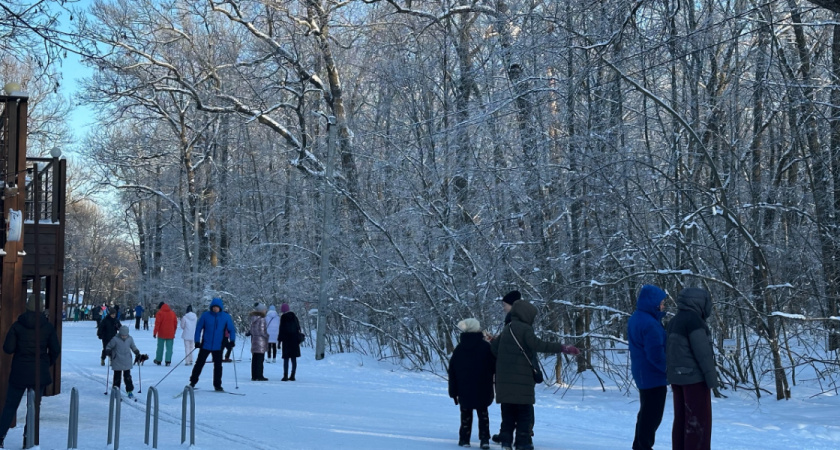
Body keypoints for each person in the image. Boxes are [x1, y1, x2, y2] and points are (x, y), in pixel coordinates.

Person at [490, 296, 580, 450]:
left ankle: (506, 442)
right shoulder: (525, 329)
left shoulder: (508, 328)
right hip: (522, 383)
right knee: (524, 413)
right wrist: (563, 348)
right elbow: (539, 345)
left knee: (508, 413)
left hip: (504, 382)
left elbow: (494, 349)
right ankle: (522, 443)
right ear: (526, 315)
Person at [0, 294, 61, 448]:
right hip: (38, 374)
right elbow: (55, 349)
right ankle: (28, 439)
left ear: (27, 306)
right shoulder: (47, 327)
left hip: (19, 372)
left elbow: (8, 348)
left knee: (10, 406)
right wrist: (47, 363)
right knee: (34, 408)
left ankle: (0, 436)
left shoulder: (18, 325)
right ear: (40, 308)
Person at [666, 287, 718, 450]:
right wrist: (711, 380)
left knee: (681, 420)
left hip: (677, 379)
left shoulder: (674, 320)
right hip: (695, 380)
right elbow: (703, 353)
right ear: (700, 302)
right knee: (698, 423)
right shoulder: (694, 321)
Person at [628, 285, 669, 450]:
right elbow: (655, 354)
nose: (663, 305)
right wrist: (668, 369)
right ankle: (643, 446)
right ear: (653, 303)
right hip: (653, 375)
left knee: (645, 412)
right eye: (661, 302)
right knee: (652, 415)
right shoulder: (650, 324)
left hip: (643, 373)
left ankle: (639, 444)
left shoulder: (637, 317)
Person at [449, 318, 495, 449]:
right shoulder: (486, 347)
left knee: (465, 413)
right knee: (483, 413)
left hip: (464, 388)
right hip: (483, 387)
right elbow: (494, 366)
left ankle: (464, 439)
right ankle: (484, 439)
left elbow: (452, 371)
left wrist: (453, 391)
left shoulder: (459, 349)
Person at [190, 297, 236, 391]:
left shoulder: (225, 317)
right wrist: (197, 341)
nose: (215, 309)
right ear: (211, 307)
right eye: (214, 307)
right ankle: (192, 382)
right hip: (205, 344)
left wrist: (232, 340)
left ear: (220, 308)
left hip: (218, 346)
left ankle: (217, 385)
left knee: (218, 366)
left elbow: (231, 330)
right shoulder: (205, 315)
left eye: (217, 307)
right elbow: (198, 328)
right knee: (199, 364)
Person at [105, 326, 144, 399]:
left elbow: (133, 346)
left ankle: (129, 390)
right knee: (117, 377)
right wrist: (108, 351)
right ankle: (116, 390)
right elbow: (108, 346)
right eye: (122, 335)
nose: (124, 337)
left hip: (127, 360)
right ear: (120, 334)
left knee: (127, 377)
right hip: (117, 360)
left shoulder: (130, 339)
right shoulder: (115, 339)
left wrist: (137, 352)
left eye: (125, 335)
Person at [278, 303, 301, 381]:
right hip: (294, 340)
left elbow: (281, 329)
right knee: (293, 358)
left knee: (286, 359)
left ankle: (285, 375)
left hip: (286, 340)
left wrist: (279, 341)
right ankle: (293, 375)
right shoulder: (295, 317)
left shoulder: (283, 317)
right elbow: (298, 328)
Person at [153, 302, 178, 366]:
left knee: (160, 347)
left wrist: (155, 332)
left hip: (161, 333)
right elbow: (175, 324)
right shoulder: (172, 313)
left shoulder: (159, 313)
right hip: (170, 333)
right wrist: (174, 331)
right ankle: (168, 360)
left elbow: (157, 324)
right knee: (169, 348)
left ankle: (158, 360)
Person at [248, 304, 269, 381]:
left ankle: (254, 375)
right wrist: (267, 336)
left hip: (254, 340)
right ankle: (260, 375)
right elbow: (262, 331)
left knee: (255, 358)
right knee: (260, 359)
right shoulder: (262, 319)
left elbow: (252, 330)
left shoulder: (253, 319)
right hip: (261, 341)